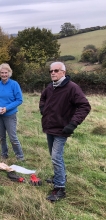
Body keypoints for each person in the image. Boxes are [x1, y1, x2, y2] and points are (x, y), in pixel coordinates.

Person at [39, 61, 91, 202]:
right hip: (50, 127)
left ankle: (60, 188)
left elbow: (84, 106)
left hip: (62, 129)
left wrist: (73, 123)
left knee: (56, 157)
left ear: (63, 72)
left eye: (56, 70)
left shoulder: (72, 88)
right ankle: (59, 176)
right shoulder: (50, 87)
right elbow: (42, 98)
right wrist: (43, 109)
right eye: (51, 71)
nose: (53, 73)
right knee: (54, 156)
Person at [0, 63, 24, 161]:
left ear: (9, 73)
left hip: (9, 115)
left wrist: (6, 108)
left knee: (12, 137)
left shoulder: (14, 84)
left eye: (6, 73)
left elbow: (19, 100)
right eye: (2, 73)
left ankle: (20, 156)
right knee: (1, 137)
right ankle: (4, 154)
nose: (4, 75)